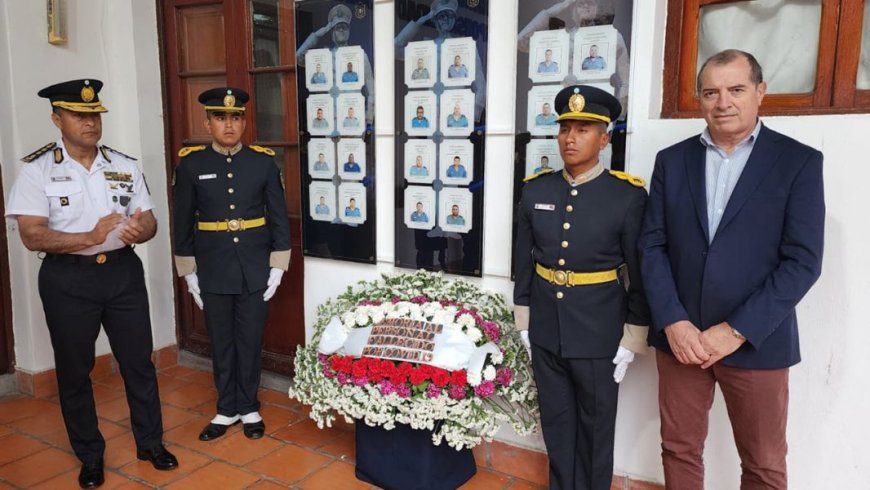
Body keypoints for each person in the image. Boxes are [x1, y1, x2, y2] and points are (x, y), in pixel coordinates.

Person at [638, 49, 825, 489]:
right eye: (711, 92)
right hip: (681, 341)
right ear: (700, 99)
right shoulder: (672, 160)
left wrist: (734, 330)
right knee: (679, 450)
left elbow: (802, 262)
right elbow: (652, 245)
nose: (724, 102)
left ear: (760, 92)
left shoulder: (798, 162)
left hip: (756, 342)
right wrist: (674, 322)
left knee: (763, 464)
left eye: (736, 89)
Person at [5, 78, 178, 489]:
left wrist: (143, 230)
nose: (90, 122)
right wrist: (88, 237)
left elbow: (150, 218)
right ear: (56, 118)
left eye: (95, 114)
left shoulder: (124, 165)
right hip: (68, 279)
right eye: (79, 115)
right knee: (75, 370)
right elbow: (31, 235)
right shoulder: (37, 170)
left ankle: (150, 442)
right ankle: (90, 454)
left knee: (138, 362)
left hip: (122, 273)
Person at [513, 84, 649, 489]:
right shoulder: (536, 189)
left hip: (598, 332)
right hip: (547, 329)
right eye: (565, 128)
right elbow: (524, 260)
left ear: (604, 138)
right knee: (555, 424)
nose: (570, 138)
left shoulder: (626, 196)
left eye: (583, 129)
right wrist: (524, 314)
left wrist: (634, 334)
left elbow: (640, 272)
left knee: (594, 429)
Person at [174, 87, 291, 443]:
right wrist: (188, 271)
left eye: (236, 117)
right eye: (221, 118)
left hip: (255, 266)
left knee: (250, 338)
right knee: (222, 341)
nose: (229, 124)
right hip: (212, 267)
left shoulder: (262, 162)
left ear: (244, 122)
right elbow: (182, 221)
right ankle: (226, 407)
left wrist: (279, 263)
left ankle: (249, 405)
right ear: (207, 122)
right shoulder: (192, 164)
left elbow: (278, 216)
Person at [296, 4, 375, 122]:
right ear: (332, 32)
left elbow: (372, 90)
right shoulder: (323, 57)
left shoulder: (360, 56)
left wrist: (368, 118)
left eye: (344, 27)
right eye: (338, 28)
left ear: (349, 31)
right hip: (328, 119)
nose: (342, 30)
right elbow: (299, 57)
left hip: (352, 120)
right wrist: (317, 35)